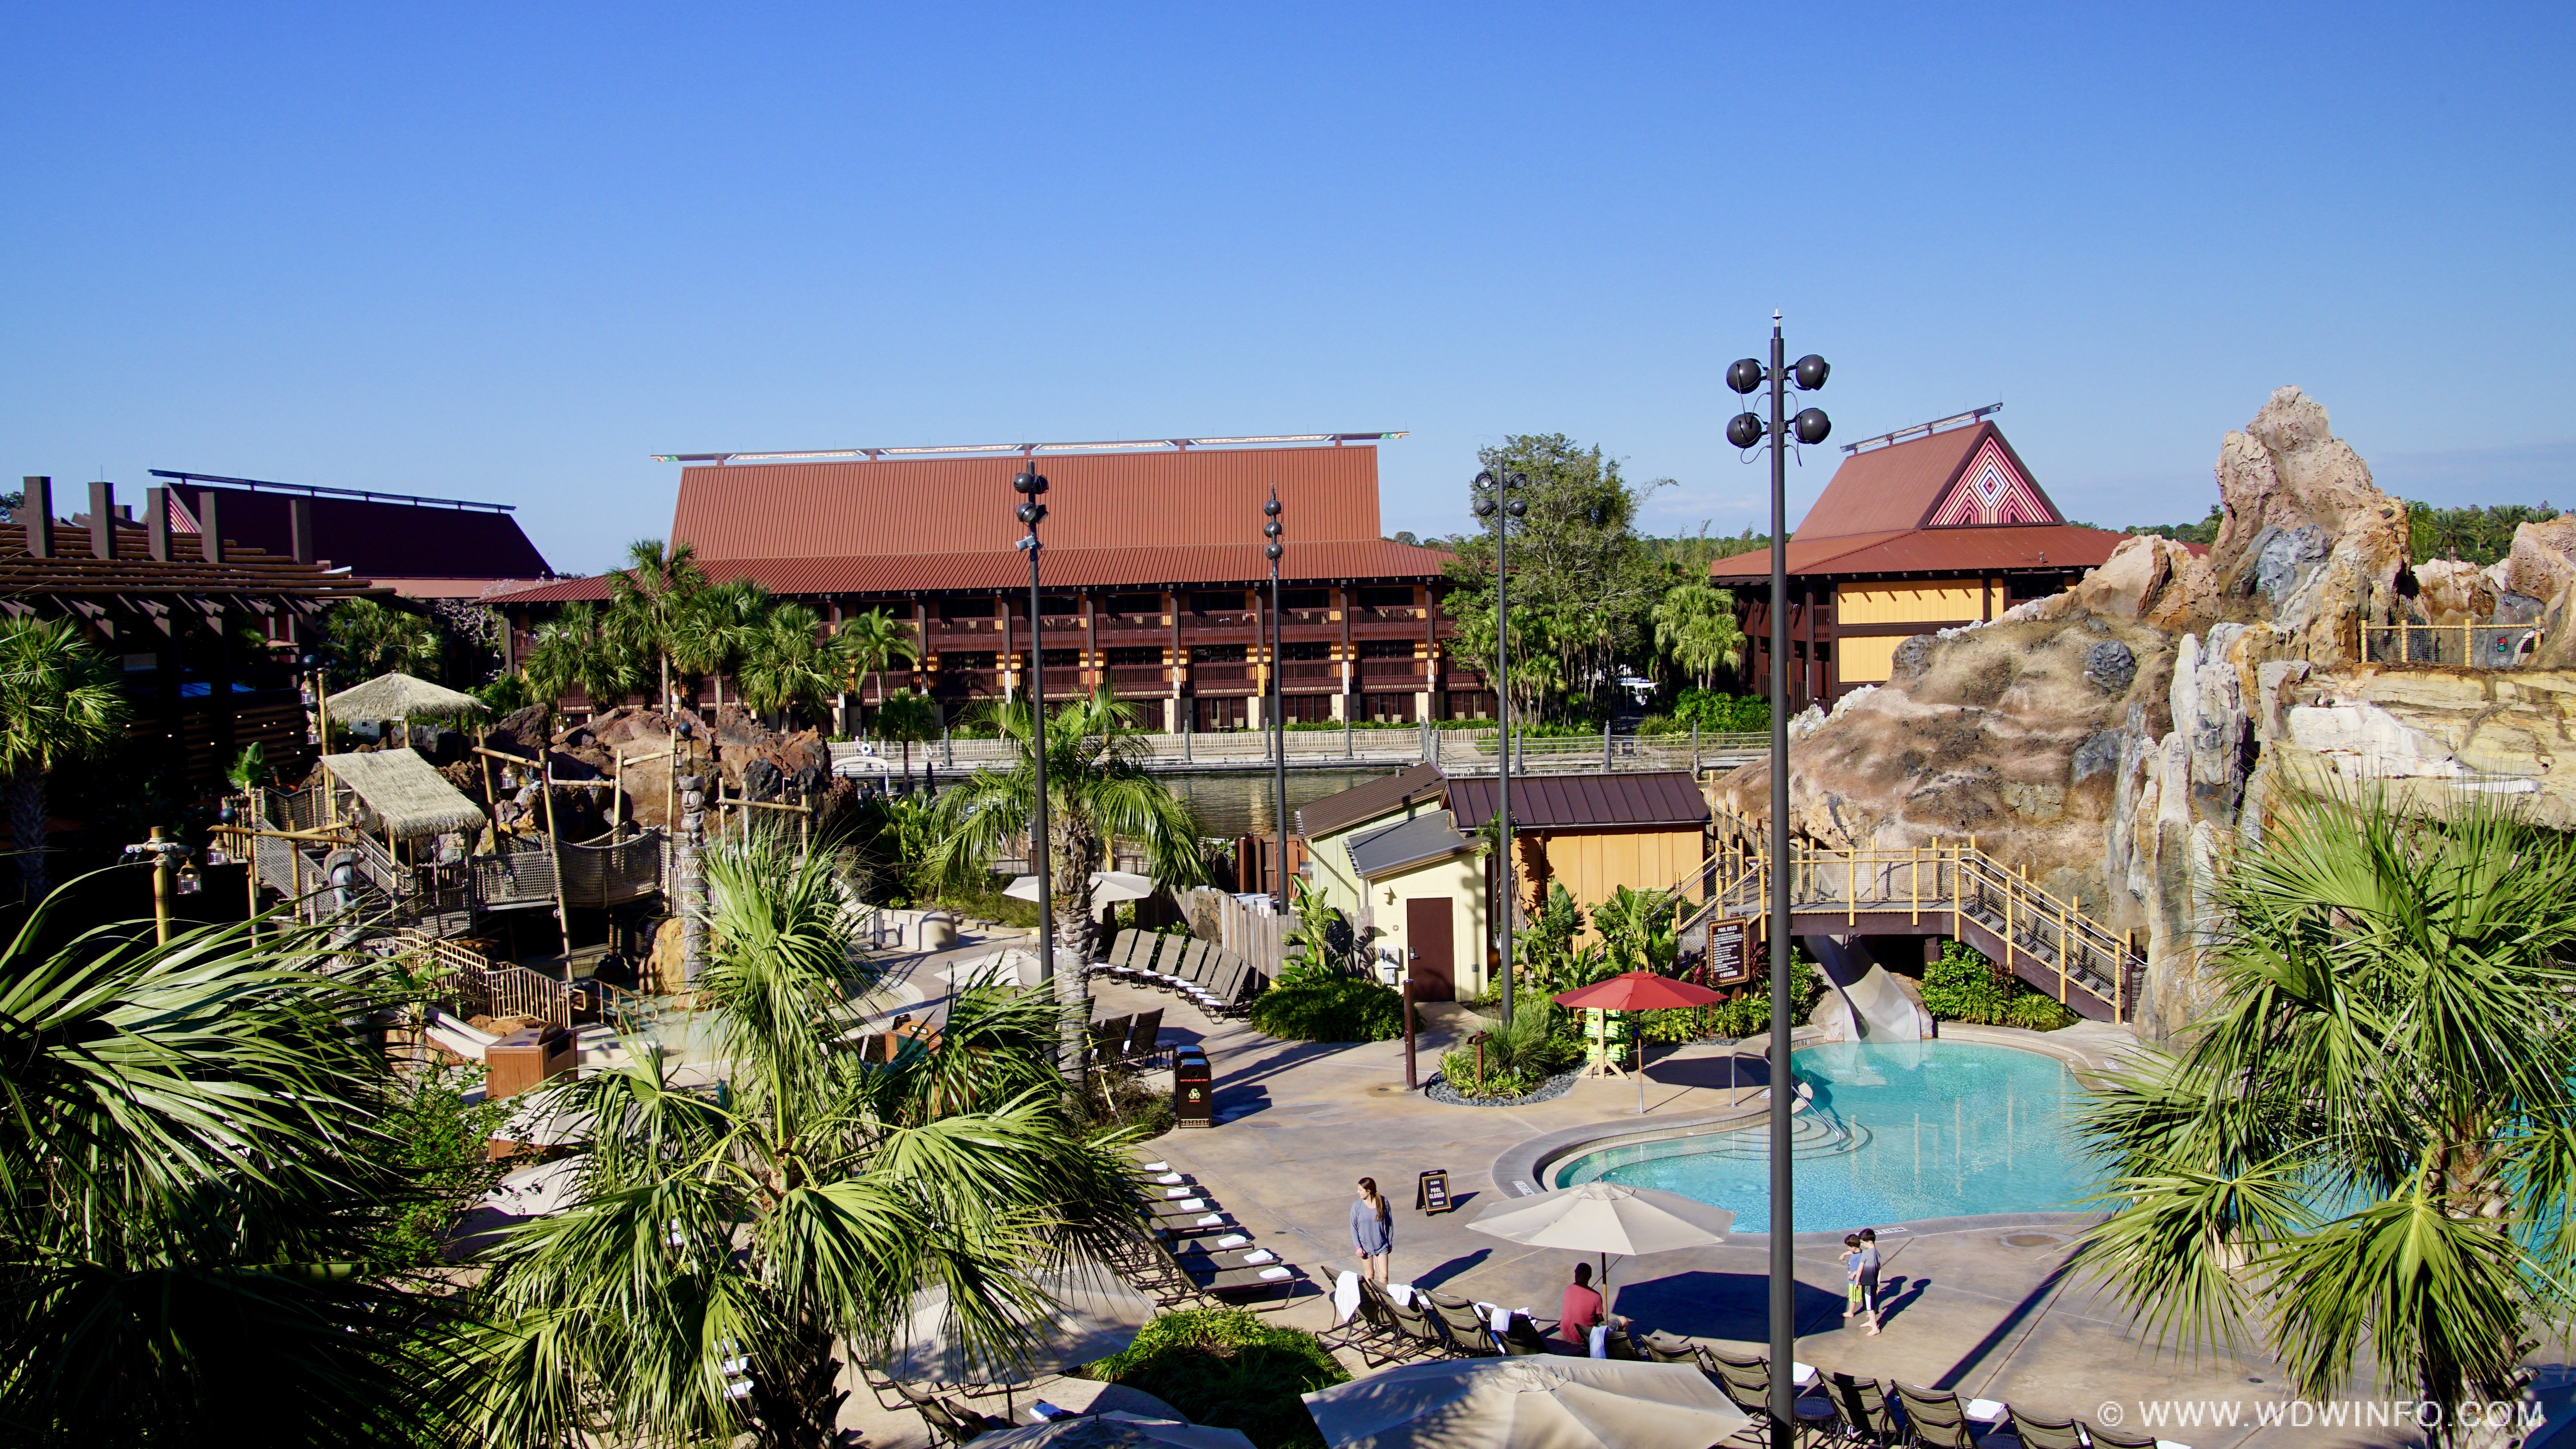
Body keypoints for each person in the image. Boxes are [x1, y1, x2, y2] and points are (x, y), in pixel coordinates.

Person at [1350, 1178, 1392, 1284]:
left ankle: (1383, 1298)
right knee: (1370, 1275)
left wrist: (1389, 1243)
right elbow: (1353, 1227)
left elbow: (1389, 1225)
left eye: (1360, 1190)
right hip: (1365, 1246)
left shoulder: (1383, 1202)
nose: (1358, 1192)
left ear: (1368, 1191)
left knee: (1384, 1276)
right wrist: (1358, 1247)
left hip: (1381, 1245)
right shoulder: (1357, 1205)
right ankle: (1372, 1298)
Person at [1558, 1261, 1606, 1348]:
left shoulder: (1568, 1289)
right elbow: (1600, 1320)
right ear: (1589, 1277)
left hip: (1565, 1332)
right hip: (1584, 1337)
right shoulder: (1596, 1296)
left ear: (1577, 1275)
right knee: (1623, 1321)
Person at [1855, 1227, 1883, 1335]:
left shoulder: (1866, 1253)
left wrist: (1857, 1281)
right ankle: (1871, 1322)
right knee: (1873, 1304)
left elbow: (1860, 1268)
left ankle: (1875, 1328)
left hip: (1867, 1283)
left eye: (1863, 1243)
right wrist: (1878, 1284)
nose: (1862, 1245)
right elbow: (1880, 1270)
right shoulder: (1877, 1254)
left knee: (1869, 1306)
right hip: (1874, 1283)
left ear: (1870, 1242)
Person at [1839, 1234, 1866, 1320]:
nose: (1848, 1249)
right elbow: (1851, 1252)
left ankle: (1851, 1312)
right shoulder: (1856, 1251)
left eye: (1848, 1247)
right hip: (1852, 1279)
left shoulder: (1860, 1256)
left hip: (1855, 1281)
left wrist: (1854, 1273)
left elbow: (1862, 1267)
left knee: (1853, 1297)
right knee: (1859, 1296)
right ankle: (1870, 1309)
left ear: (1854, 1247)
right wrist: (1844, 1255)